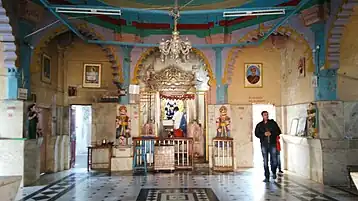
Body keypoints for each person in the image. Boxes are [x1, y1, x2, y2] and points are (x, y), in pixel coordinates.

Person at [255, 111, 282, 182]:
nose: (266, 116)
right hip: (264, 144)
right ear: (262, 116)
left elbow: (278, 131)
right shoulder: (260, 125)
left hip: (272, 144)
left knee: (274, 160)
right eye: (264, 115)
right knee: (265, 161)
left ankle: (273, 172)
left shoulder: (273, 123)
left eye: (267, 115)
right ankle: (266, 176)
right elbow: (256, 133)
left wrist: (271, 133)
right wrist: (264, 134)